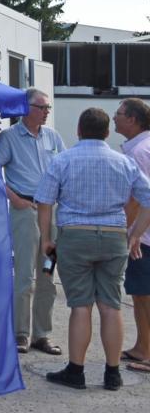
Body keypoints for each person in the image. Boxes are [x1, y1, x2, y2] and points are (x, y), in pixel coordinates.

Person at [35, 107, 150, 391]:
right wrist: (135, 233)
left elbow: (45, 203)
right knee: (111, 305)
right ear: (107, 133)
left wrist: (46, 241)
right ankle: (112, 373)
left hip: (75, 236)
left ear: (78, 130)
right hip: (113, 236)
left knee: (81, 306)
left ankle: (76, 370)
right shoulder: (123, 161)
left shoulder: (63, 160)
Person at [0, 88, 66, 355]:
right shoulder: (10, 137)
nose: (46, 111)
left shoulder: (53, 137)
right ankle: (20, 333)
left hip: (51, 214)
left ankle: (42, 334)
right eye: (41, 107)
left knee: (48, 274)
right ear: (26, 109)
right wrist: (14, 198)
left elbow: (64, 168)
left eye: (48, 107)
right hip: (26, 212)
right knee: (25, 275)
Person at [113, 98, 150, 370]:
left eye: (120, 114)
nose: (114, 117)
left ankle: (148, 352)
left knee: (145, 295)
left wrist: (123, 230)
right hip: (144, 234)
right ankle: (142, 347)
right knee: (139, 294)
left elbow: (139, 198)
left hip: (143, 236)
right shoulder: (142, 147)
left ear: (133, 120)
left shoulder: (139, 152)